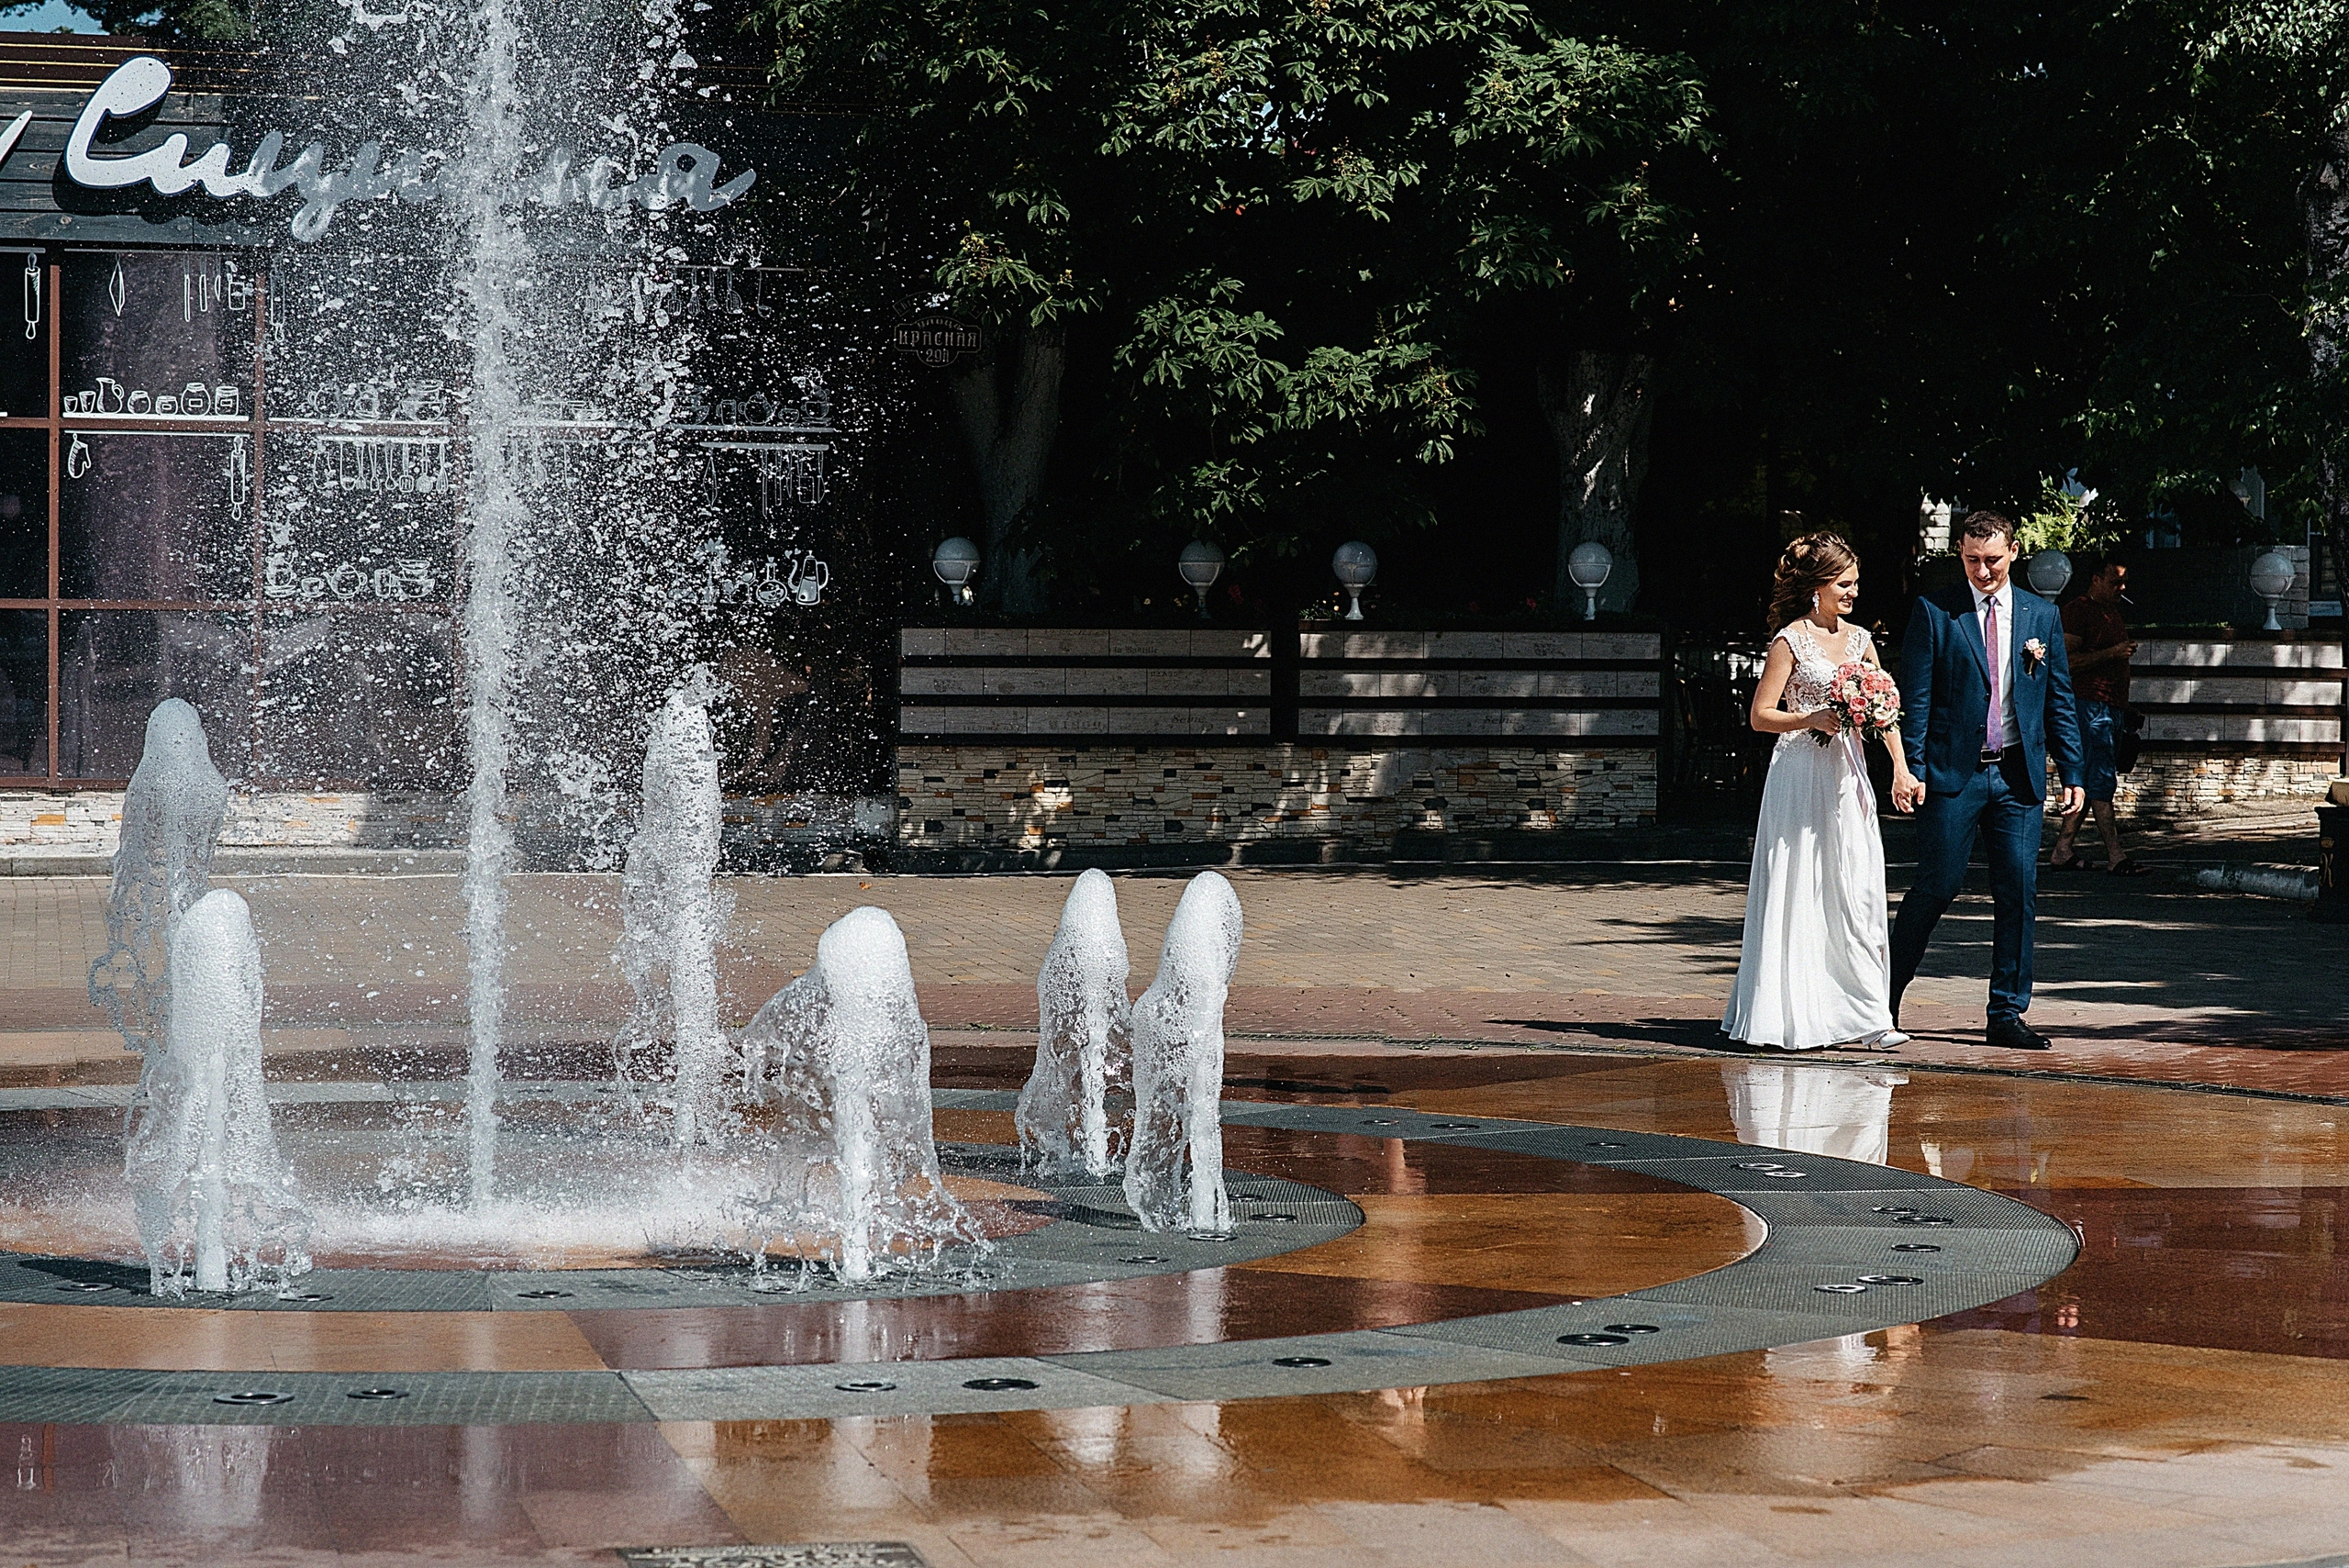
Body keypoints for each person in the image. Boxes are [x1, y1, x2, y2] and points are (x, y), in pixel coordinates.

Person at [1889, 510, 2086, 1051]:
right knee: (1938, 885)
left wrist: (2073, 770)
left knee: (2018, 890)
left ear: (2014, 551)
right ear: (1960, 553)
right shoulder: (1936, 612)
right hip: (1955, 775)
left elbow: (2058, 698)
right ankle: (1882, 995)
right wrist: (1912, 769)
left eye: (1993, 559)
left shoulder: (2041, 615)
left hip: (2017, 776)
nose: (1983, 571)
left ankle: (2006, 1012)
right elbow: (1918, 698)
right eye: (1973, 560)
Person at [1721, 533, 1920, 1051]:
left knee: (1855, 886)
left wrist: (1900, 768)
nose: (1854, 592)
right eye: (1845, 584)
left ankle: (1867, 1015)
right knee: (1803, 883)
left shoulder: (1860, 641)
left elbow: (1884, 710)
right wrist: (1810, 717)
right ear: (1817, 588)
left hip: (1849, 773)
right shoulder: (1790, 640)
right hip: (1802, 772)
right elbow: (1761, 716)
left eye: (1856, 583)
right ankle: (1794, 1015)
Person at [2051, 555, 2145, 874]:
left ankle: (2063, 849)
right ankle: (2116, 855)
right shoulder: (2078, 612)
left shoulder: (2111, 614)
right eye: (2114, 581)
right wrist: (2113, 653)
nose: (2121, 587)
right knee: (2101, 779)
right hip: (2089, 706)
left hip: (2109, 707)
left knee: (2093, 779)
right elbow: (2065, 662)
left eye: (2124, 582)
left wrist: (2124, 705)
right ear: (2095, 580)